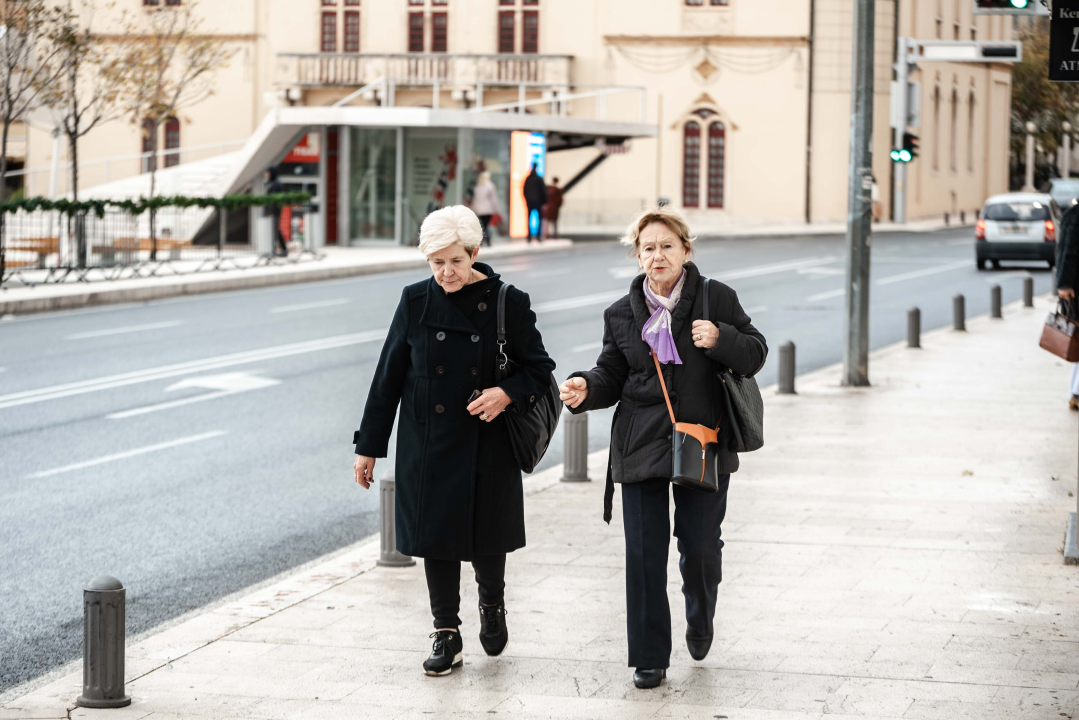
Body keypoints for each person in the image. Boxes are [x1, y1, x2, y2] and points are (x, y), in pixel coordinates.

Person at [559, 207, 767, 690]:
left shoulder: (717, 298)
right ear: (637, 256)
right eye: (648, 248)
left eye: (667, 245)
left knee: (698, 547)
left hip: (701, 440)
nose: (658, 255)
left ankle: (700, 612)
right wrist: (585, 388)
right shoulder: (620, 313)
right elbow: (611, 373)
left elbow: (756, 352)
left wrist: (721, 339)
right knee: (644, 553)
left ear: (686, 251)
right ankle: (649, 656)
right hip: (640, 443)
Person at [352, 205, 555, 676]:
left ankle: (492, 605)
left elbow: (539, 369)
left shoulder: (508, 301)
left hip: (489, 439)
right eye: (436, 262)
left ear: (475, 253)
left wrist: (505, 392)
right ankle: (446, 632)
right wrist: (368, 446)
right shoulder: (415, 301)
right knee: (436, 539)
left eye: (455, 261)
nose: (445, 272)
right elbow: (388, 377)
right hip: (429, 441)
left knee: (488, 535)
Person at [1056, 201, 1079, 409]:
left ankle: (1075, 392)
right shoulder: (1075, 214)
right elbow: (1066, 250)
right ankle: (1076, 393)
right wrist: (1063, 283)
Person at [471, 171, 502, 246]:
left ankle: (483, 239)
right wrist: (496, 208)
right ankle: (487, 240)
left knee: (482, 225)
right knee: (486, 225)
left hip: (479, 209)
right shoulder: (490, 186)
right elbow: (493, 199)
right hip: (488, 209)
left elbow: (475, 199)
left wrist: (474, 209)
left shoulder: (477, 187)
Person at [263, 167, 288, 257]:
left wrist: (270, 211)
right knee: (273, 230)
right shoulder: (270, 183)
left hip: (274, 211)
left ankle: (282, 249)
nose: (266, 174)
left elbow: (274, 199)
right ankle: (275, 249)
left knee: (275, 230)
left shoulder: (276, 184)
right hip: (270, 211)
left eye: (267, 172)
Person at [523, 163, 547, 243]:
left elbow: (524, 191)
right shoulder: (539, 178)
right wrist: (544, 202)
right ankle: (538, 236)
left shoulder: (528, 179)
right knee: (539, 219)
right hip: (538, 202)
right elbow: (543, 191)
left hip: (530, 201)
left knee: (529, 219)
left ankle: (529, 237)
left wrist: (526, 199)